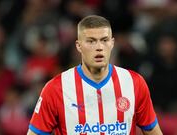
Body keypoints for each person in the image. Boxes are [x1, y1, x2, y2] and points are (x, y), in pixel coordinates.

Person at [27, 15, 163, 135]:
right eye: (91, 41)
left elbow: (152, 130)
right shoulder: (56, 88)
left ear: (112, 43)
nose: (99, 47)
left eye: (104, 40)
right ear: (78, 46)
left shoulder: (134, 83)